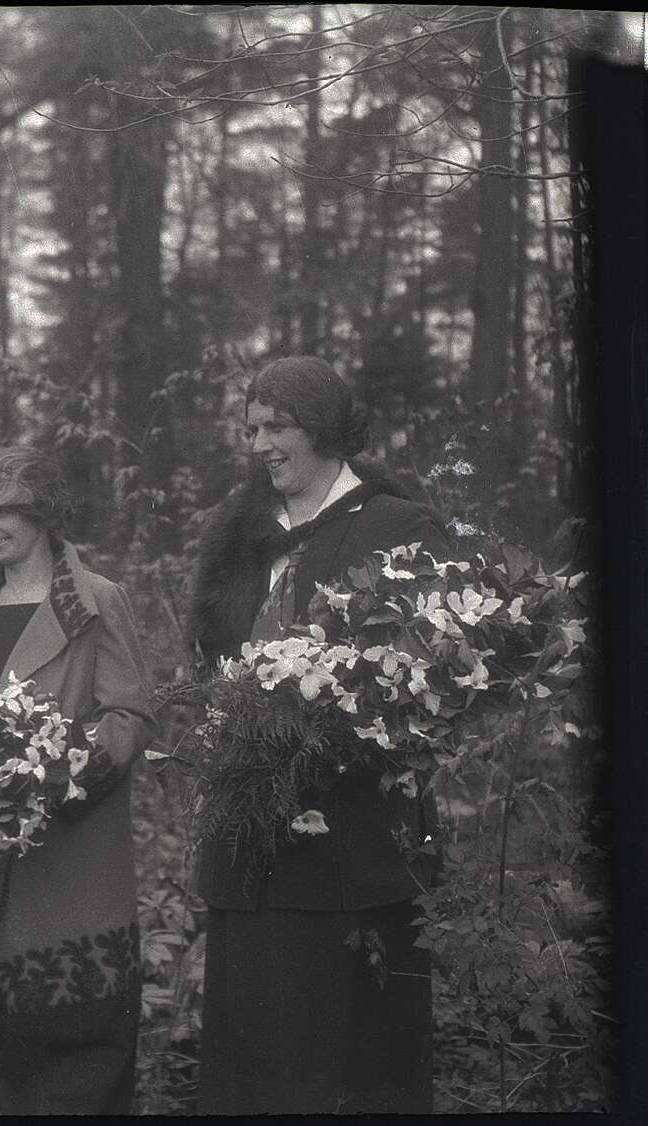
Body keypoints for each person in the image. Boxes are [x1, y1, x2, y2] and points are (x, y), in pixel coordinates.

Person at [188, 356, 445, 1114]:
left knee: (350, 1063)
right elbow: (212, 665)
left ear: (324, 428)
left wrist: (334, 725)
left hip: (354, 850)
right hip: (251, 845)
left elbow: (433, 682)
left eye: (277, 426)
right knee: (257, 1055)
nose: (261, 444)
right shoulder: (238, 536)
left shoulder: (398, 528)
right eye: (250, 429)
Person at [0, 446, 157, 1115]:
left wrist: (57, 774)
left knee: (68, 1057)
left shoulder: (98, 602)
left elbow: (130, 715)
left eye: (3, 510)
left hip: (68, 851)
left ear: (42, 514)